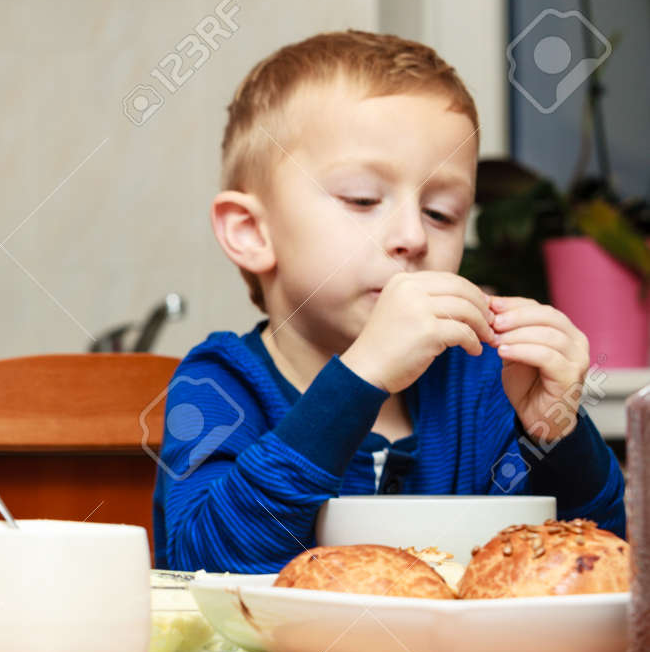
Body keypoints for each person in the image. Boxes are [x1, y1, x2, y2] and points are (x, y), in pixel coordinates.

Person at [152, 30, 624, 573]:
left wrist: (557, 431)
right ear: (252, 232)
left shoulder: (484, 387)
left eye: (441, 212)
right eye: (363, 199)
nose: (413, 237)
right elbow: (208, 566)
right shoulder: (219, 384)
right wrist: (360, 378)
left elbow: (600, 563)